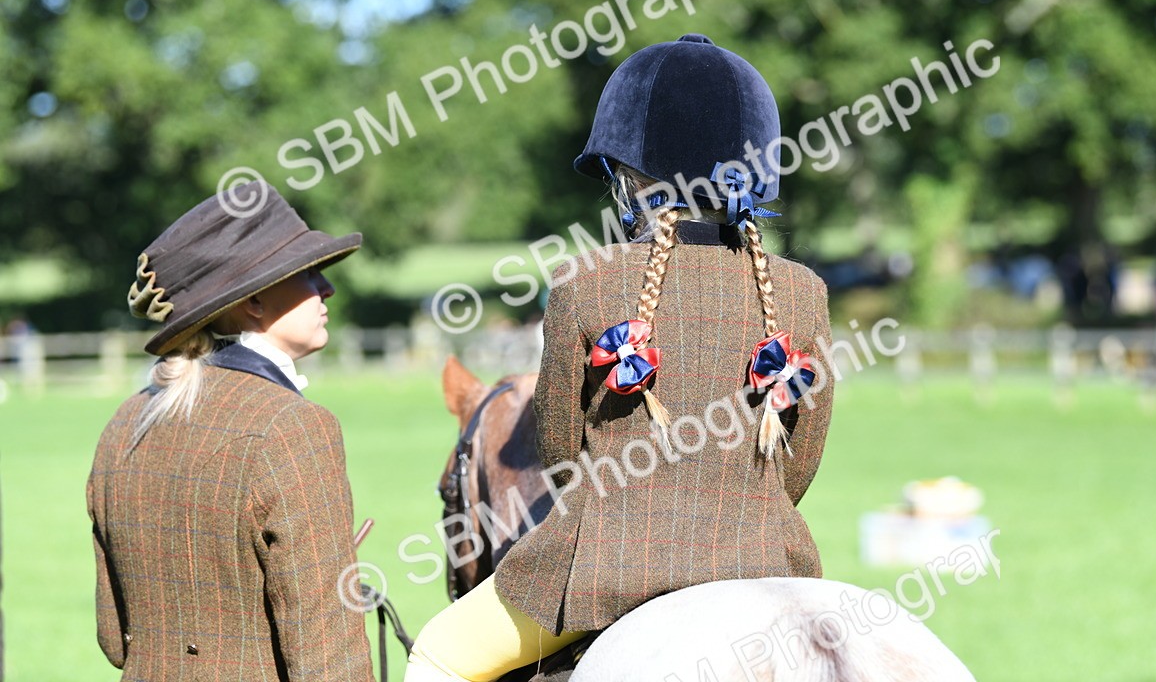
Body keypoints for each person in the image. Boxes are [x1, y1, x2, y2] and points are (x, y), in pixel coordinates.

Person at [405, 34, 836, 680]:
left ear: (628, 177)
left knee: (437, 654)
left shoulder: (585, 282)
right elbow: (799, 465)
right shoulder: (804, 292)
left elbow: (559, 453)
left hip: (605, 566)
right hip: (767, 563)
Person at [87, 183, 376, 681]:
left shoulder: (122, 423)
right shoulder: (292, 426)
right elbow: (329, 662)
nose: (325, 288)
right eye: (307, 273)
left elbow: (115, 638)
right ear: (254, 302)